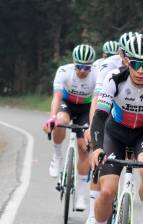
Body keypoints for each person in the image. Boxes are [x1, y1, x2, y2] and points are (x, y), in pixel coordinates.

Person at [90, 34, 143, 224]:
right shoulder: (114, 78)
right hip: (115, 133)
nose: (140, 71)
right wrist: (97, 147)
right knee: (107, 191)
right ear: (126, 60)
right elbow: (99, 116)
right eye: (136, 64)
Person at [42, 44, 97, 211]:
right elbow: (57, 97)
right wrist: (52, 116)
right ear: (74, 63)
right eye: (79, 66)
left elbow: (96, 103)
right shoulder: (64, 71)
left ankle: (81, 193)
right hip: (67, 104)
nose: (82, 71)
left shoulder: (96, 75)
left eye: (86, 67)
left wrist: (92, 127)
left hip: (85, 109)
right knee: (60, 120)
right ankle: (57, 155)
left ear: (91, 66)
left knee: (84, 148)